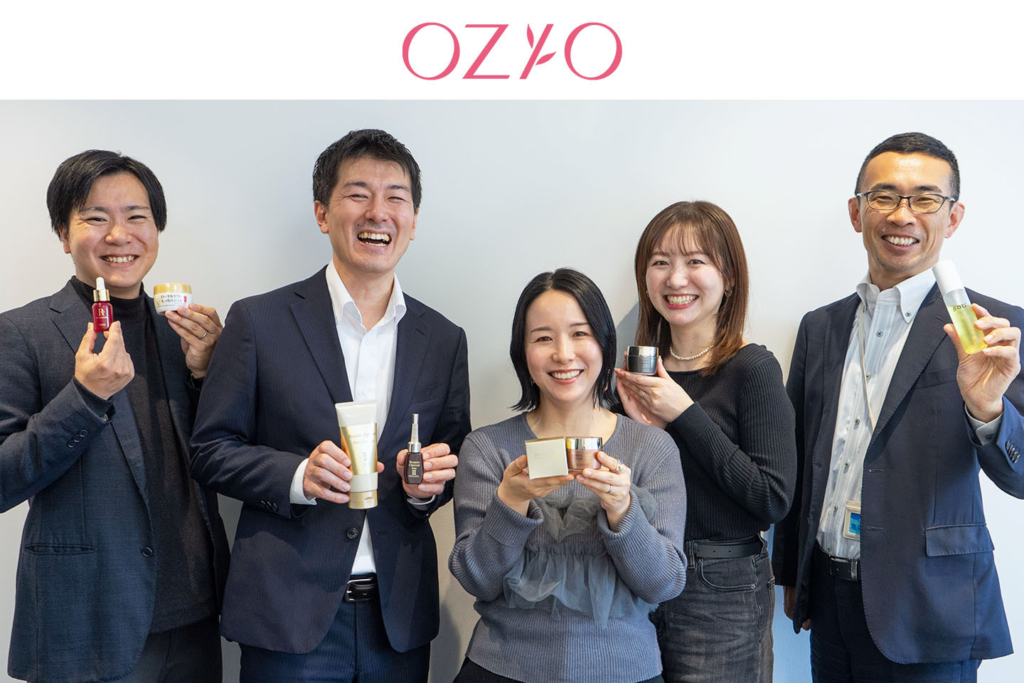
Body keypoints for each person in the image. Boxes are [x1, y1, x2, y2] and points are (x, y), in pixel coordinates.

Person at [189, 128, 470, 682]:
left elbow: (453, 455)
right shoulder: (259, 321)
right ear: (322, 213)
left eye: (396, 197)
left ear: (413, 220)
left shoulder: (443, 338)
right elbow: (210, 449)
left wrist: (426, 490)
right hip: (287, 616)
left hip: (397, 620)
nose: (378, 212)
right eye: (358, 194)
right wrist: (298, 476)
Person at [772, 132, 1024, 682]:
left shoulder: (993, 330)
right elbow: (800, 458)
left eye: (925, 199)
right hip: (828, 602)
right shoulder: (821, 327)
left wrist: (988, 410)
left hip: (930, 608)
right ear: (856, 212)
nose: (902, 214)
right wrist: (792, 573)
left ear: (953, 218)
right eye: (883, 196)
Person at [0, 150, 230, 683]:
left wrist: (206, 375)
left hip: (196, 615)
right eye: (96, 218)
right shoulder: (22, 332)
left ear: (157, 229)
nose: (119, 234)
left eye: (136, 216)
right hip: (87, 623)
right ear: (64, 234)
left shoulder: (182, 333)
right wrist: (84, 396)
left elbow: (214, 456)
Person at [449, 268, 687, 683]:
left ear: (604, 344)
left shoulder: (652, 448)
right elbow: (477, 580)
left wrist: (622, 510)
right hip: (502, 668)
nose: (563, 354)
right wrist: (510, 502)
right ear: (523, 353)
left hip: (625, 671)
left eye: (580, 333)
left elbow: (664, 585)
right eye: (543, 338)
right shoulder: (488, 448)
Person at [614, 201, 796, 683]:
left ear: (729, 276)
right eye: (660, 262)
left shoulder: (752, 369)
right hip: (639, 574)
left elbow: (771, 499)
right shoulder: (637, 371)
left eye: (695, 261)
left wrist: (684, 413)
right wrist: (647, 438)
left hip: (722, 588)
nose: (676, 279)